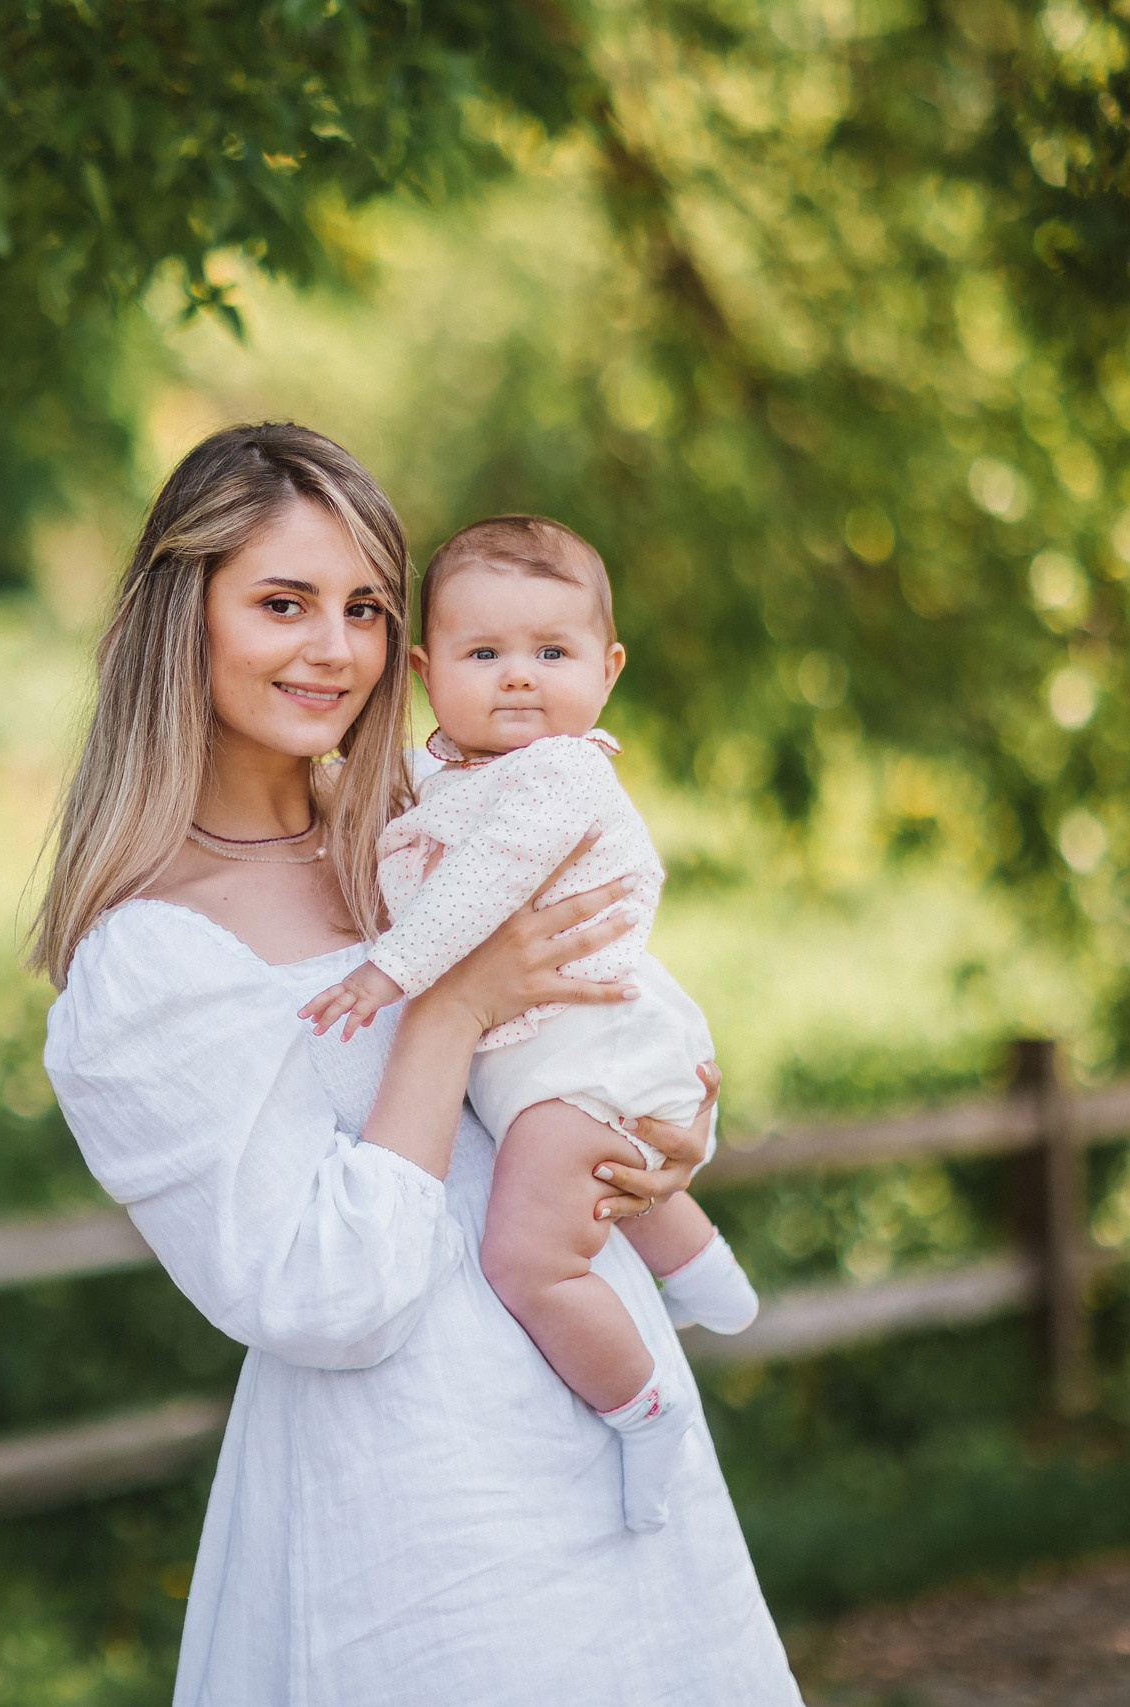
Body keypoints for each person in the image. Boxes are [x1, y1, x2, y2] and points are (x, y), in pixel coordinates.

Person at [33, 424, 801, 1703]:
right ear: (186, 616)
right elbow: (329, 1300)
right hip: (423, 1507)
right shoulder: (147, 964)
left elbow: (598, 1017)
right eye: (282, 603)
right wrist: (444, 1015)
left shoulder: (423, 837)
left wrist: (664, 1135)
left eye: (367, 609)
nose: (333, 649)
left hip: (616, 1454)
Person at [298, 515, 761, 1533]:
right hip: (547, 1058)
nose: (518, 678)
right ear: (424, 670)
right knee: (591, 1176)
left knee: (527, 1258)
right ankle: (708, 1279)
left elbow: (483, 881)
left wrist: (390, 972)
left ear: (608, 668)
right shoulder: (443, 777)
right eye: (483, 654)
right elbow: (372, 810)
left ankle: (645, 1414)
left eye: (551, 653)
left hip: (590, 1046)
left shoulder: (560, 774)